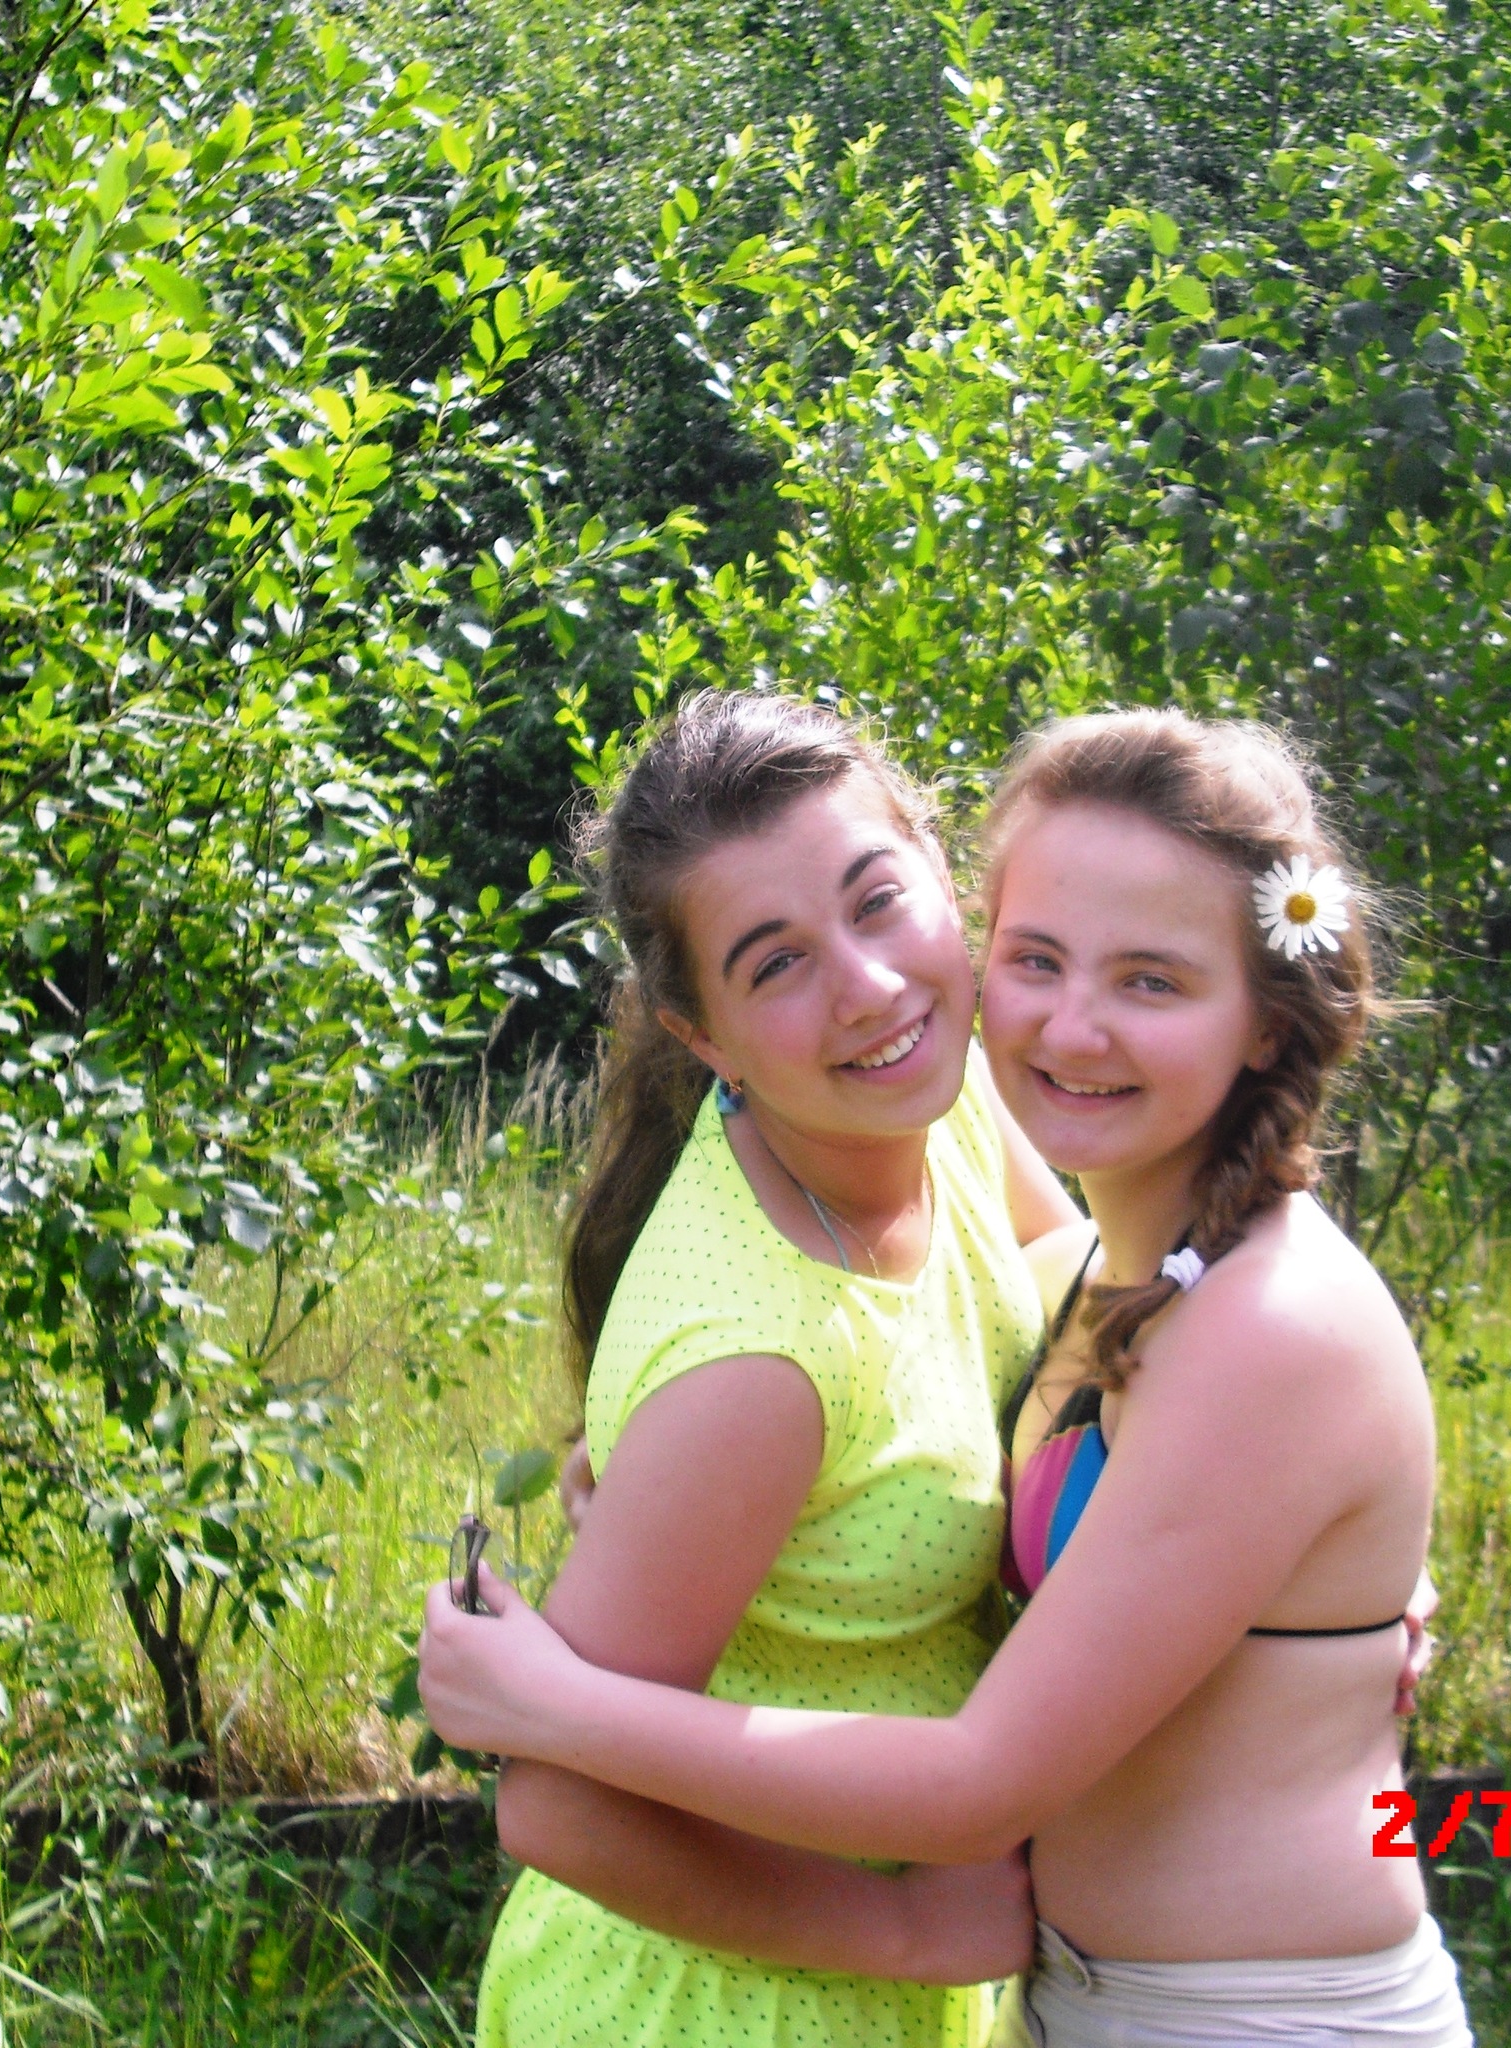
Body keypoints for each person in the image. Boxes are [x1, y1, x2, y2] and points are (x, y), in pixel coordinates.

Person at [421, 708, 1471, 2048]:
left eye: (1152, 981)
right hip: (885, 2003)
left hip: (1246, 2015)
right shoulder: (860, 1253)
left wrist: (1325, 1553)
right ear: (702, 1035)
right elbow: (1044, 1327)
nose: (1074, 1024)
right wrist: (674, 1470)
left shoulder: (1195, 1278)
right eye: (1039, 959)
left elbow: (1090, 1333)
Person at [460, 689, 1080, 2048]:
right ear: (701, 1034)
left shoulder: (939, 1098)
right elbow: (555, 1805)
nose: (868, 988)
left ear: (938, 868)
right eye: (776, 963)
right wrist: (904, 1932)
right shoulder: (754, 1362)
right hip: (718, 2006)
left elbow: (1076, 1283)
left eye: (877, 900)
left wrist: (1286, 1537)